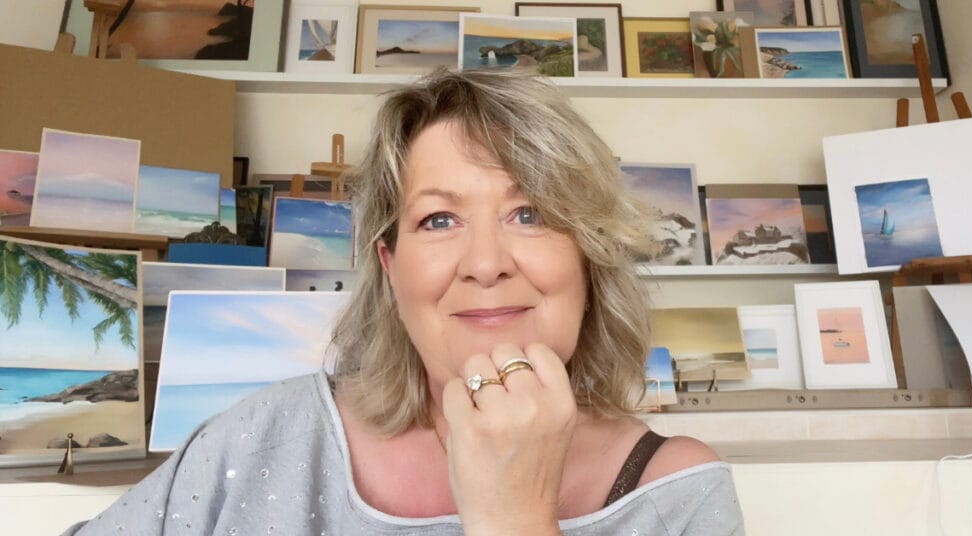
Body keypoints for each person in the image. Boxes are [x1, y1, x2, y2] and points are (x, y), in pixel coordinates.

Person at [63, 69, 744, 535]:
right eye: (439, 221)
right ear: (389, 267)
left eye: (530, 214)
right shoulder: (262, 433)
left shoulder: (679, 495)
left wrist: (515, 518)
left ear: (589, 255)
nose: (485, 264)